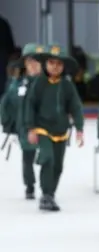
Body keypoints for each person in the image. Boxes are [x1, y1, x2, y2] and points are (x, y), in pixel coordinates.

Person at [24, 44, 84, 211]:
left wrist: (79, 129)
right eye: (51, 63)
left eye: (59, 64)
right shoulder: (39, 83)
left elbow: (76, 107)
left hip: (61, 131)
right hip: (43, 129)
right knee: (48, 158)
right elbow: (30, 104)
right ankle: (45, 195)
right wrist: (31, 128)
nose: (55, 67)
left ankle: (51, 194)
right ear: (45, 64)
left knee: (58, 165)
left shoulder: (67, 85)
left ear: (63, 66)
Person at [0, 43, 44, 199]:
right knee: (28, 158)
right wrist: (9, 127)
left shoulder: (51, 83)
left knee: (49, 159)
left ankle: (48, 188)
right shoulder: (17, 85)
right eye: (29, 61)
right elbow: (7, 106)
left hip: (48, 128)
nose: (33, 65)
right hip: (25, 128)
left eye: (36, 61)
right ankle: (30, 186)